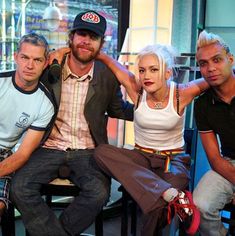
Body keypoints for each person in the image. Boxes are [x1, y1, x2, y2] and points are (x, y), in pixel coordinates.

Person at [10, 10, 133, 236]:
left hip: (88, 151)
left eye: (93, 37)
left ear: (100, 43)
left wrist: (152, 107)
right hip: (47, 147)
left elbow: (118, 109)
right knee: (19, 188)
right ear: (72, 37)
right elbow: (23, 79)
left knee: (98, 193)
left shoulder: (107, 75)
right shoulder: (50, 68)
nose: (86, 41)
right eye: (81, 34)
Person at [94, 44, 209, 235]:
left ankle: (165, 194)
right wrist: (94, 53)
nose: (146, 76)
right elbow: (113, 64)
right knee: (101, 152)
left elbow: (215, 78)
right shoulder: (136, 90)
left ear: (167, 73)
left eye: (154, 70)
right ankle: (172, 195)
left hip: (173, 160)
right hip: (141, 159)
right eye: (142, 70)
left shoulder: (181, 93)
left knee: (157, 206)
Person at [0, 33, 54, 217]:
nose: (29, 65)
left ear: (45, 63)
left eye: (37, 60)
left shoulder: (45, 104)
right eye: (25, 57)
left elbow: (22, 154)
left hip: (5, 155)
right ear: (16, 57)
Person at [192, 30, 235, 236]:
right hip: (229, 163)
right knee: (200, 204)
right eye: (203, 63)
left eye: (216, 60)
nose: (210, 68)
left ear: (230, 59)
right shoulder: (202, 104)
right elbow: (214, 158)